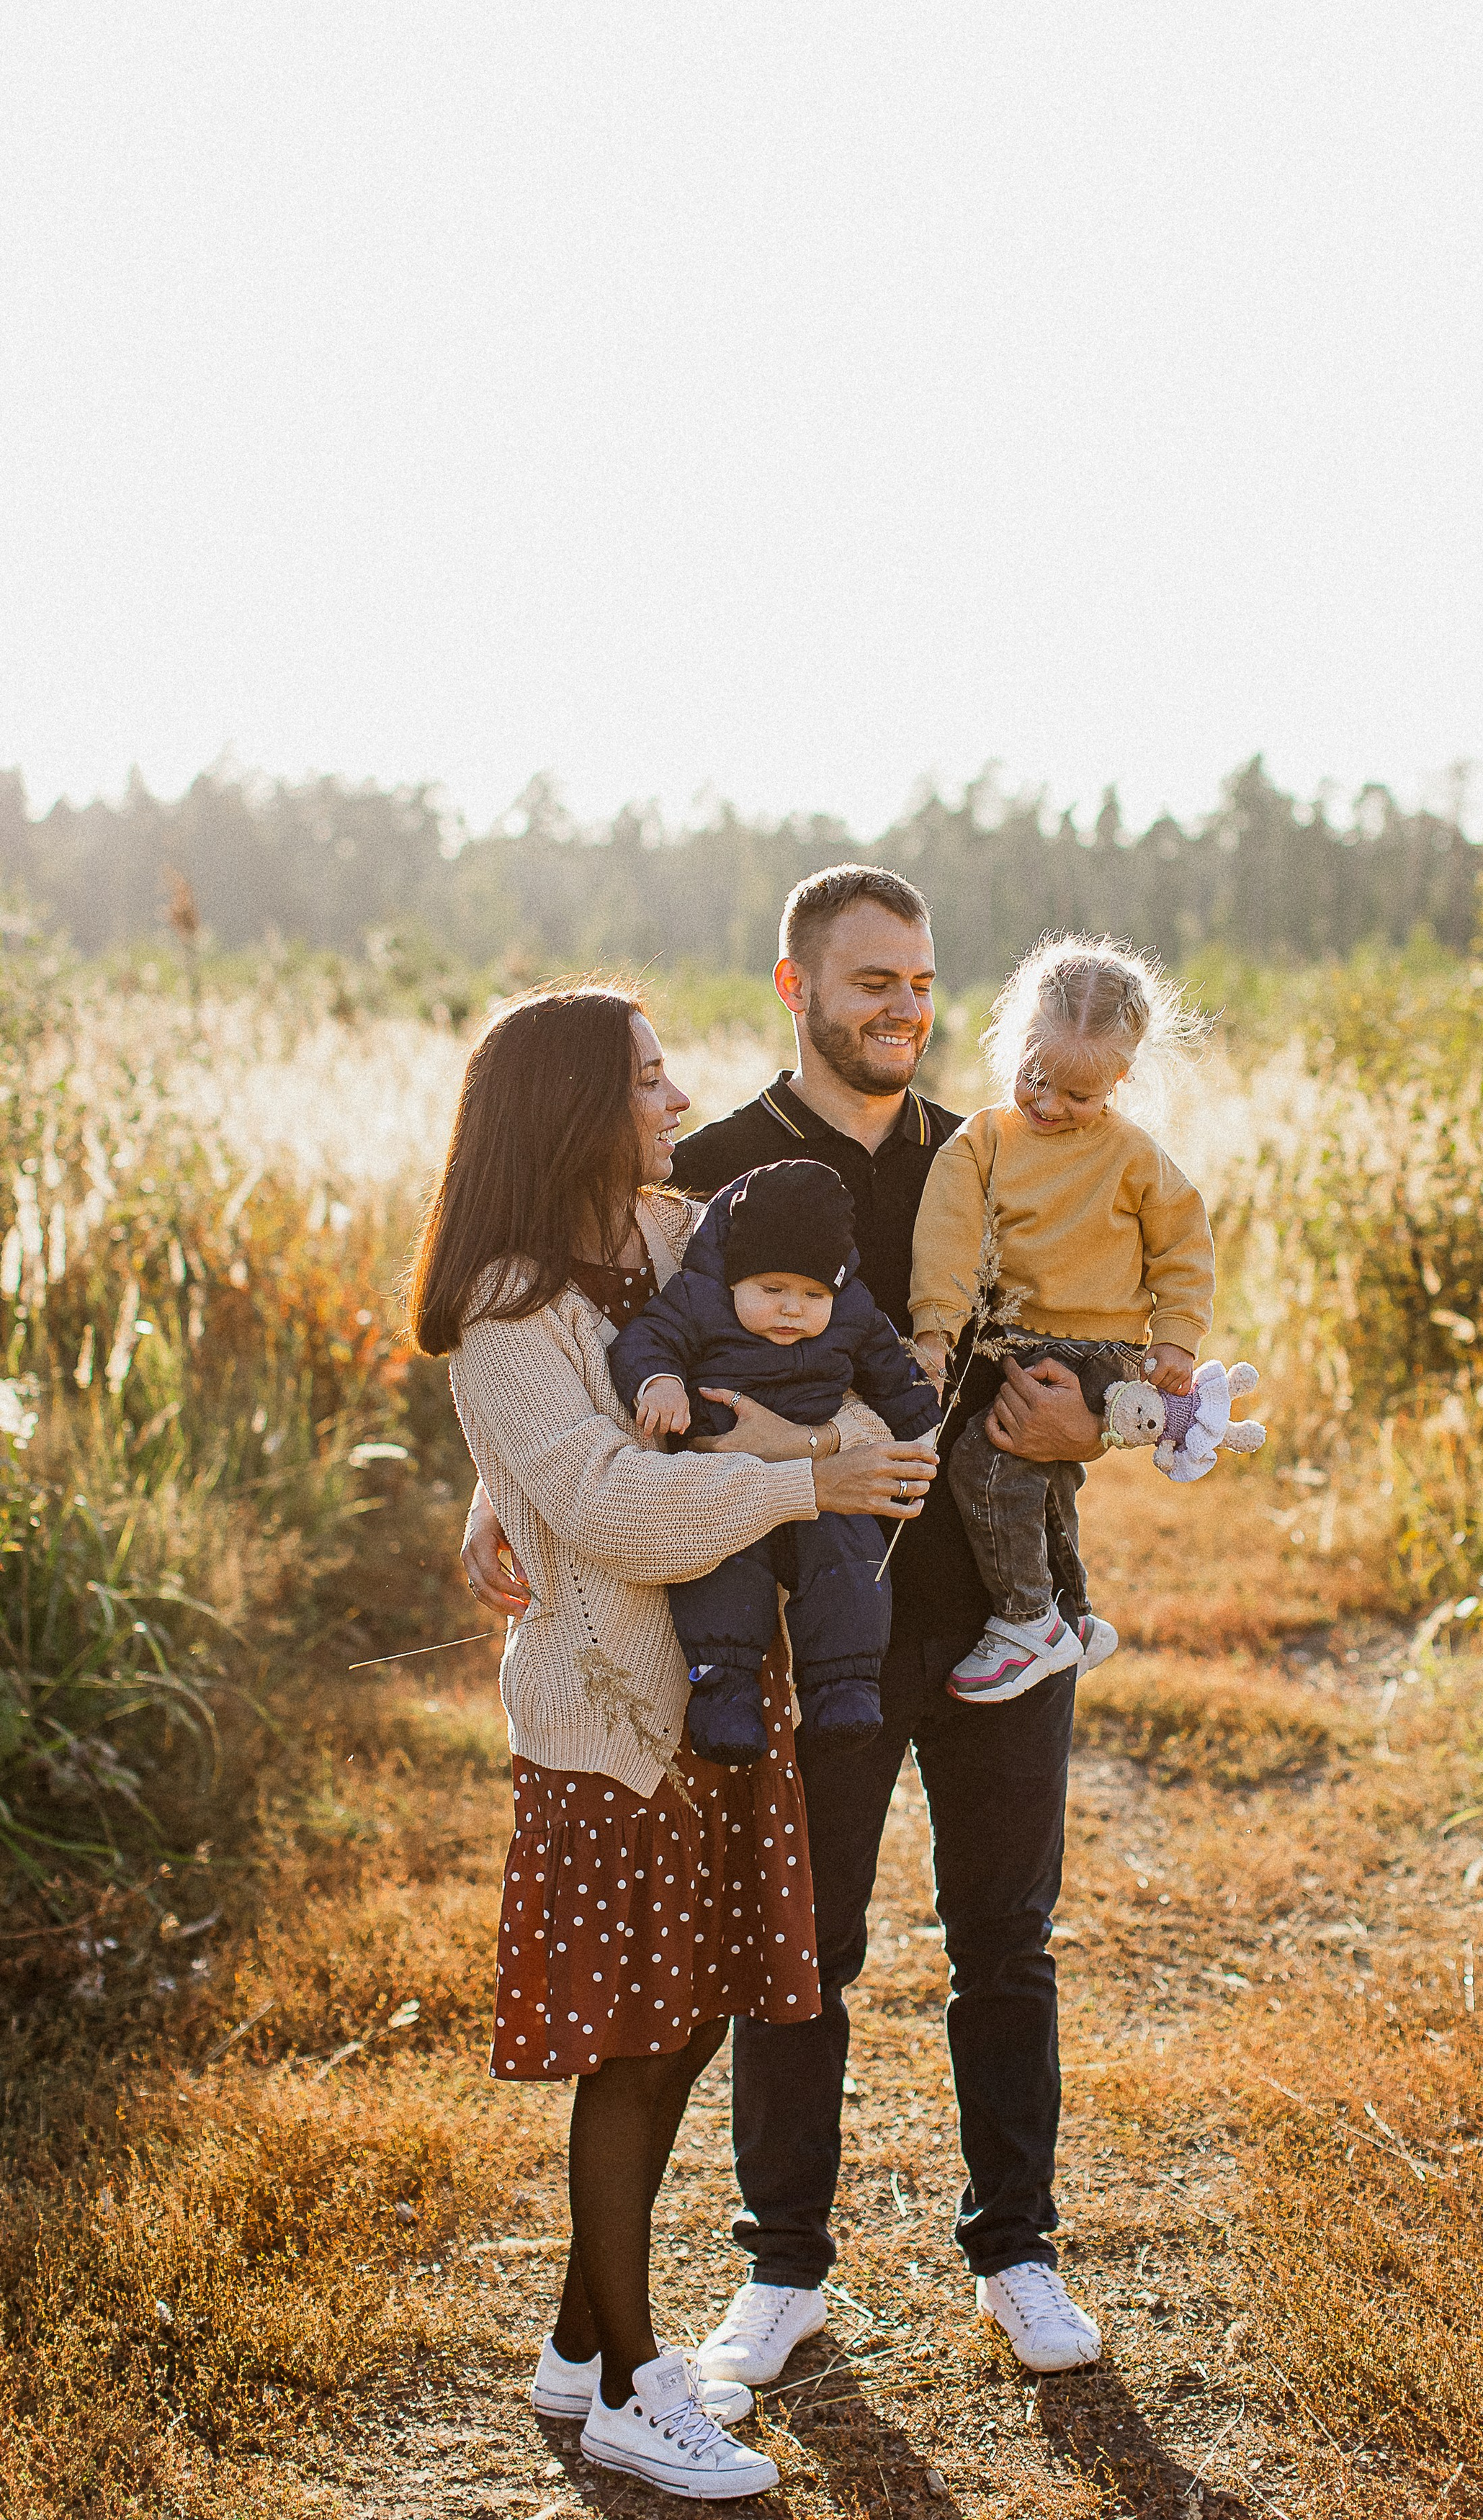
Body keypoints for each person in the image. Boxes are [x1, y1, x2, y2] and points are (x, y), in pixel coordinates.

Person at [462, 869, 1110, 2390]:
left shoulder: (996, 1158)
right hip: (801, 1629)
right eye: (868, 979)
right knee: (798, 1951)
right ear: (795, 988)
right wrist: (493, 1497)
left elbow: (1102, 1330)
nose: (900, 1006)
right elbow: (589, 1368)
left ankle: (1016, 2247)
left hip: (1003, 1616)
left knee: (1004, 1940)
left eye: (920, 980)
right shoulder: (712, 1173)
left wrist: (1097, 1422)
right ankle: (781, 2268)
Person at [416, 982, 936, 2498]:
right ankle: (641, 2385)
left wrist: (493, 1501)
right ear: (575, 1106)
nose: (673, 1098)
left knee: (697, 2008)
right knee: (634, 2047)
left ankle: (583, 2347)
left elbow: (787, 1368)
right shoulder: (505, 1301)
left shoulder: (667, 1238)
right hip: (613, 1724)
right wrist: (801, 1486)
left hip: (724, 1694)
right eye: (646, 1079)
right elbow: (599, 1496)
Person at [910, 936, 1214, 1705]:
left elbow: (1181, 1245)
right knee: (1043, 1482)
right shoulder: (981, 1142)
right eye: (1035, 1078)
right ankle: (1074, 1615)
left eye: (1079, 1097)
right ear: (1013, 1042)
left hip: (1102, 1351)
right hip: (1017, 1339)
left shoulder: (1133, 1156)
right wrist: (935, 1330)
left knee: (986, 1464)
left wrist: (1176, 1339)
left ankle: (1027, 1620)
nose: (1048, 1105)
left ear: (1121, 1077)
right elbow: (945, 1238)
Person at [608, 1157, 940, 1762]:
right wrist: (659, 1381)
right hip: (726, 1478)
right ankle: (724, 1695)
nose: (793, 1310)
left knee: (851, 1562)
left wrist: (925, 1428)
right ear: (734, 1276)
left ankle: (845, 1686)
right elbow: (646, 1339)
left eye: (814, 1293)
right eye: (772, 1290)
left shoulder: (854, 1312)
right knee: (722, 1573)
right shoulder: (697, 1298)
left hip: (825, 1487)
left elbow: (897, 1381)